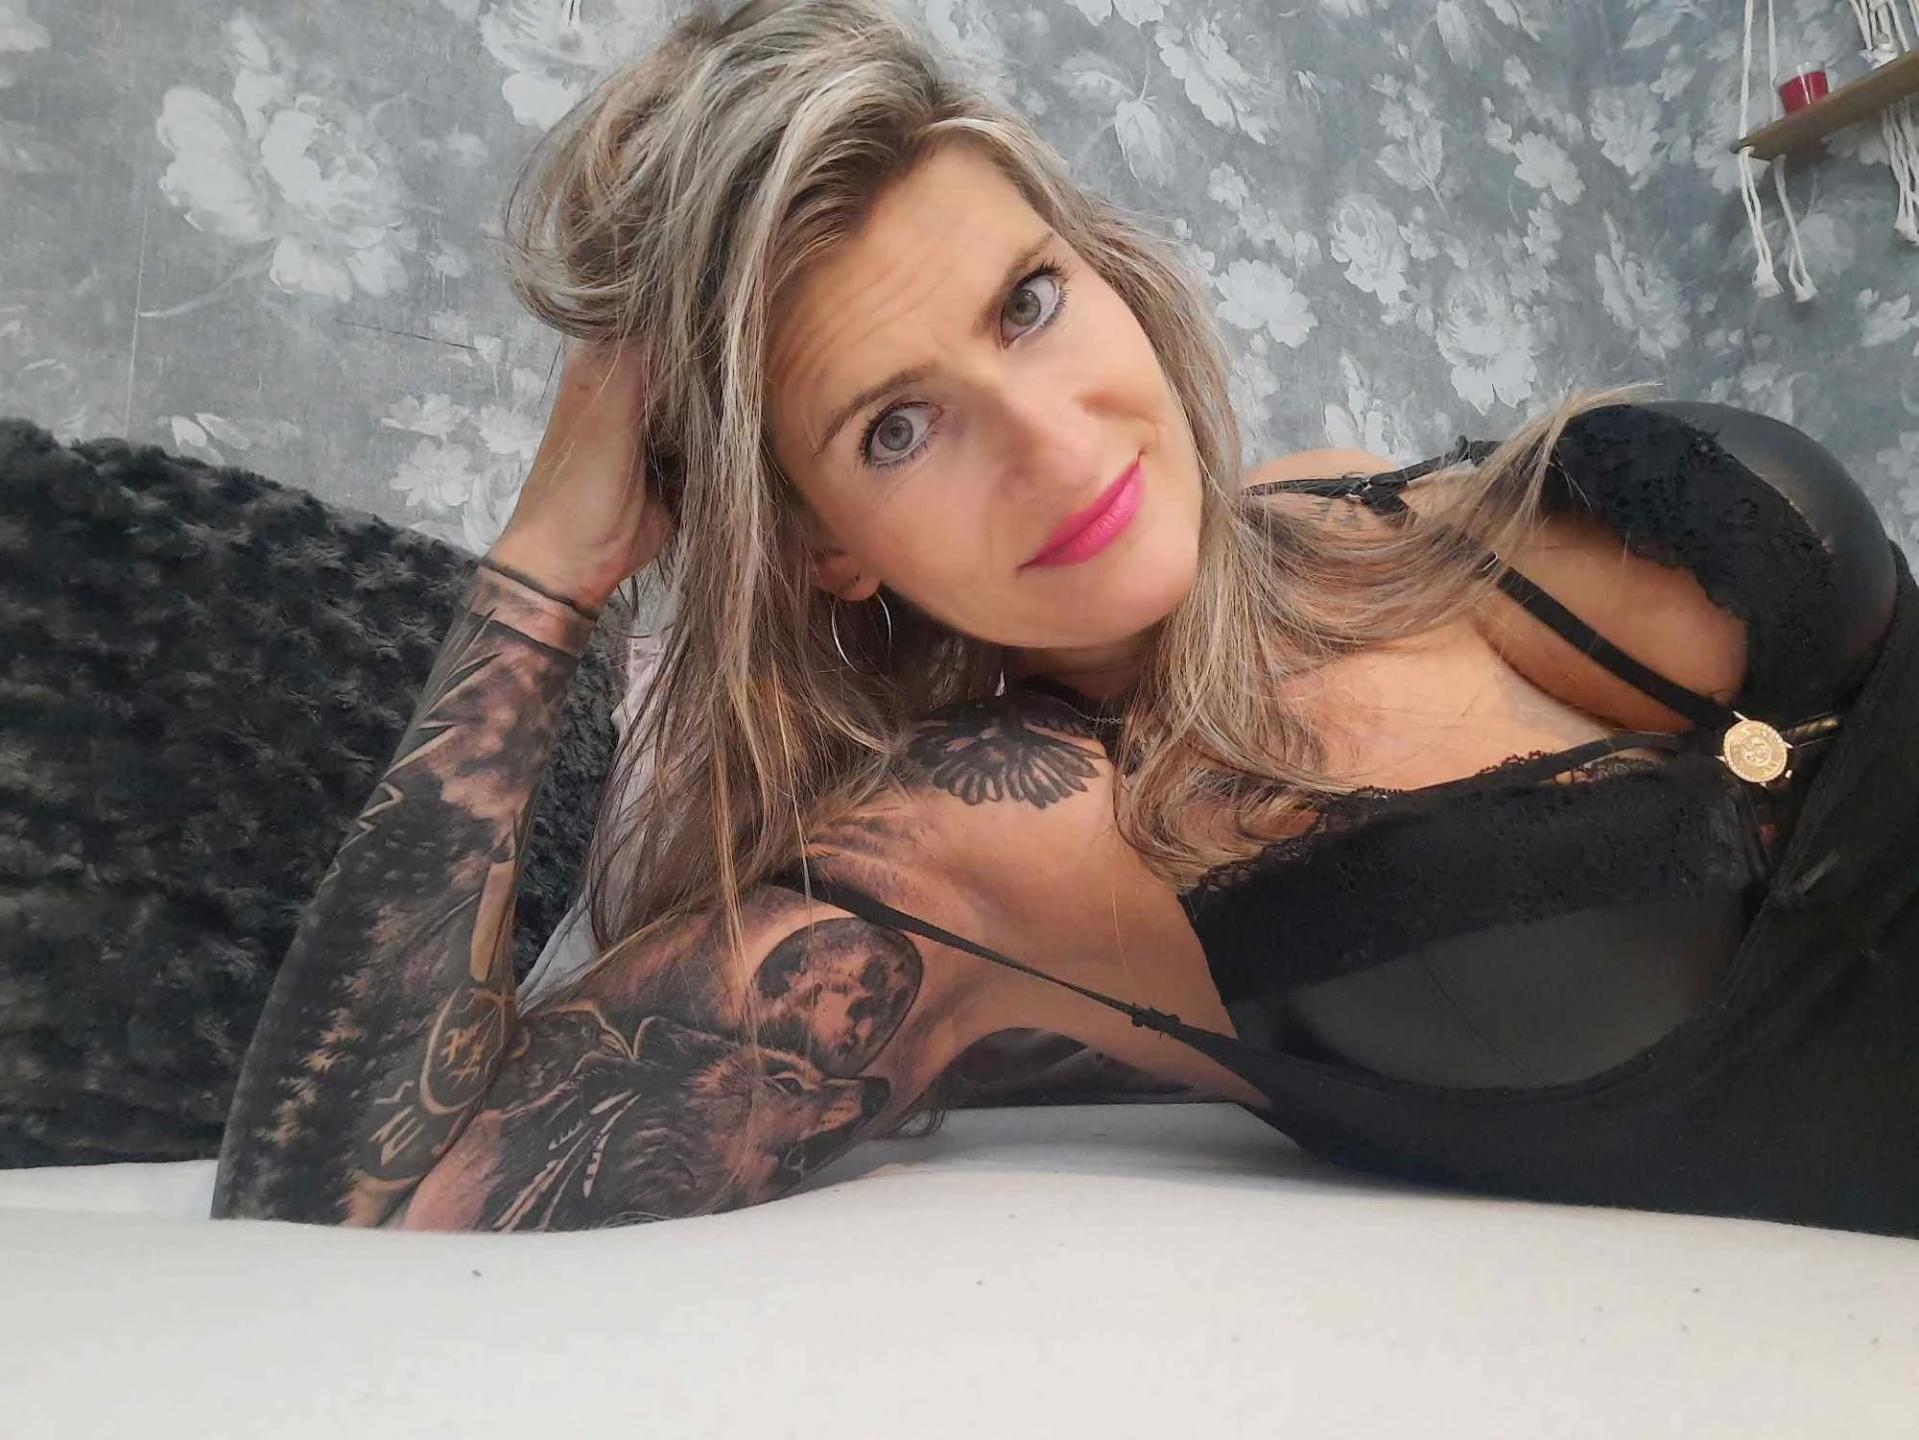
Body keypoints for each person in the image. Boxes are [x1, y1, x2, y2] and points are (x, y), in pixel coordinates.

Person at [211, 0, 1917, 1237]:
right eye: (899, 427)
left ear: (1102, 268)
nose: (1054, 443)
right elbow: (359, 1184)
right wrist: (548, 561)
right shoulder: (976, 846)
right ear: (826, 550)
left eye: (1027, 302)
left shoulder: (1334, 502)